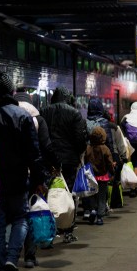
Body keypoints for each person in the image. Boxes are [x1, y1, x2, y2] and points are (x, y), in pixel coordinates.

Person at [0, 71, 47, 271]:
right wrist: (38, 179)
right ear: (11, 91)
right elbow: (32, 153)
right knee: (20, 219)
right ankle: (11, 259)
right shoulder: (22, 115)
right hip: (17, 179)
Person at [14, 91, 60, 268]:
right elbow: (46, 147)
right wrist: (55, 165)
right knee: (32, 212)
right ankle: (30, 256)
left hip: (11, 174)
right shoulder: (38, 120)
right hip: (34, 173)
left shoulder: (8, 117)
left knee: (14, 215)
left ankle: (11, 254)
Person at [39, 86, 88, 242]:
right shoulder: (74, 113)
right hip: (68, 161)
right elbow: (80, 139)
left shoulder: (43, 111)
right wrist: (78, 153)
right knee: (67, 194)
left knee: (47, 194)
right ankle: (67, 229)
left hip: (47, 160)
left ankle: (49, 229)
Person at [84, 126, 116, 225]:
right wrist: (113, 172)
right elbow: (109, 163)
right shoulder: (105, 149)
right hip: (102, 176)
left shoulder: (88, 148)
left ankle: (92, 210)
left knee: (92, 195)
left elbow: (85, 161)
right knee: (102, 197)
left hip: (90, 177)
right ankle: (99, 217)